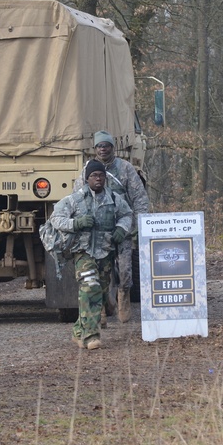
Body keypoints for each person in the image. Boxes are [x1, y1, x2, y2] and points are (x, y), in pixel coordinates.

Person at [51, 159, 133, 350]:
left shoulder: (113, 198)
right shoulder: (75, 199)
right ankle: (91, 336)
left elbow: (127, 214)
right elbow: (56, 218)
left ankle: (78, 331)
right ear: (87, 178)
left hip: (105, 253)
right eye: (94, 176)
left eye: (101, 175)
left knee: (101, 293)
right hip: (83, 252)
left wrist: (121, 228)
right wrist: (76, 223)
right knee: (91, 288)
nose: (98, 179)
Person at [74, 130, 149, 323]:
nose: (103, 149)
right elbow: (77, 199)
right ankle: (102, 306)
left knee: (124, 270)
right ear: (95, 149)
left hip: (122, 227)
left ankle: (123, 297)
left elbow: (139, 198)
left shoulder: (125, 169)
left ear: (112, 148)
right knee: (99, 272)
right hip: (98, 231)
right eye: (99, 146)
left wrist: (138, 224)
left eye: (106, 146)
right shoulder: (87, 170)